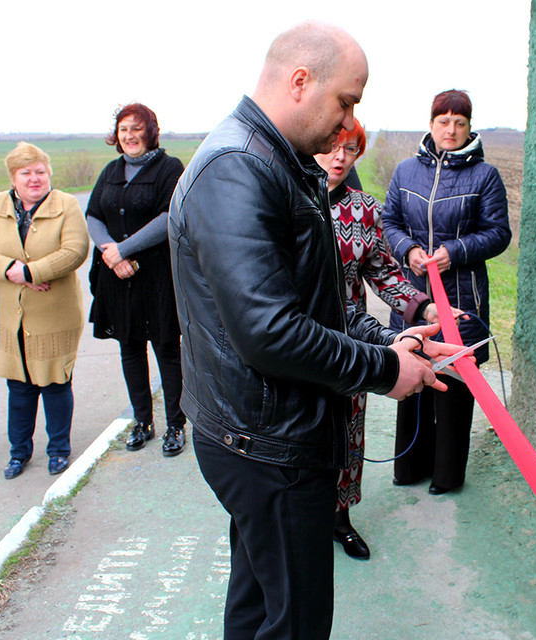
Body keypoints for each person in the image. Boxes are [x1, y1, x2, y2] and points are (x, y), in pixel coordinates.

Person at [169, 21, 467, 639]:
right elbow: (270, 332)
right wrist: (386, 371)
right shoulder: (238, 169)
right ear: (300, 81)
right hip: (267, 444)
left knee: (258, 606)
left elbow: (318, 301)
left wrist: (390, 340)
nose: (348, 121)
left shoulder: (280, 162)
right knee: (296, 623)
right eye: (347, 101)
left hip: (271, 435)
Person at [314, 117, 448, 559]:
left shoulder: (362, 209)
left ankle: (339, 518)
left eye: (349, 150)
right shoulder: (287, 201)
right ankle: (299, 516)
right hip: (299, 341)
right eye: (331, 146)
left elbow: (385, 274)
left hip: (352, 342)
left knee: (349, 425)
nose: (339, 157)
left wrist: (426, 307)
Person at [382, 89, 511, 495]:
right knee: (413, 377)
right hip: (414, 296)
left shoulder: (484, 176)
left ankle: (446, 476)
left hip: (462, 298)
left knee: (453, 386)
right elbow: (389, 222)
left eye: (459, 122)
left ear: (470, 127)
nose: (451, 129)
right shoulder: (405, 171)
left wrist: (452, 253)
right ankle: (409, 468)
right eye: (443, 121)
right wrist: (410, 250)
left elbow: (498, 234)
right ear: (431, 124)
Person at [0, 142, 88, 479]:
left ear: (48, 173)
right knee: (19, 387)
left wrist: (31, 272)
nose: (34, 179)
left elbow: (75, 250)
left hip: (56, 314)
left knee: (54, 382)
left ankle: (58, 451)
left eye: (39, 171)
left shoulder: (66, 205)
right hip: (14, 317)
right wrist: (10, 269)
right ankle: (19, 453)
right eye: (26, 173)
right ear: (14, 178)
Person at [86, 103, 186, 456]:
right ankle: (142, 421)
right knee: (129, 349)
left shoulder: (168, 168)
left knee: (166, 349)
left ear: (150, 132)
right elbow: (94, 215)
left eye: (136, 129)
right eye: (124, 129)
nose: (129, 136)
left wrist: (124, 249)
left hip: (156, 278)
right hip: (118, 278)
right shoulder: (111, 171)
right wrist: (109, 252)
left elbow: (168, 217)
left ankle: (176, 425)